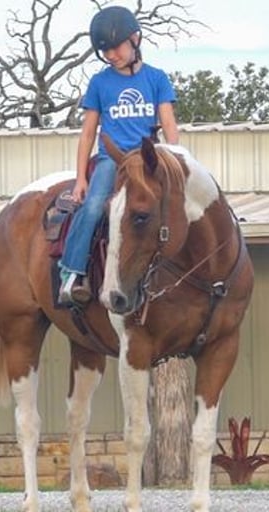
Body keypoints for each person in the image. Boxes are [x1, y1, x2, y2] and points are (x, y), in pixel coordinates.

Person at [58, 5, 179, 305]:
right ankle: (72, 273)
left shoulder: (157, 79)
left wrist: (175, 159)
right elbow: (88, 133)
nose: (111, 55)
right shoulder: (100, 83)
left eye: (115, 47)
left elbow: (169, 125)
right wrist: (80, 179)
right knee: (96, 205)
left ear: (135, 39)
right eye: (105, 51)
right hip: (113, 159)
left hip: (148, 158)